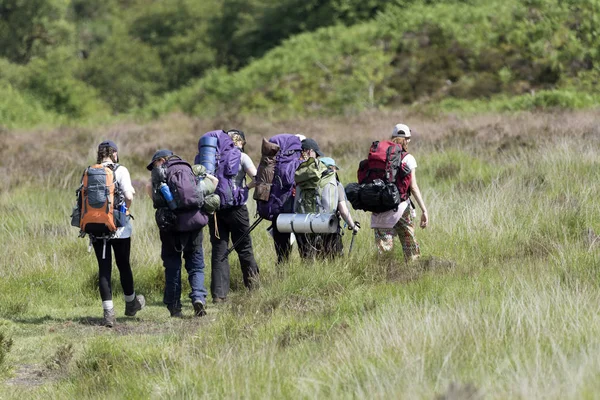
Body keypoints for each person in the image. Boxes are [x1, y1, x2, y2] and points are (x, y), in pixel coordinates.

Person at [147, 149, 209, 317]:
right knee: (196, 265)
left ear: (161, 160)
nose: (154, 168)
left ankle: (175, 307)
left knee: (173, 266)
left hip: (172, 227)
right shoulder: (188, 168)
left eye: (154, 164)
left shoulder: (161, 173)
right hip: (195, 223)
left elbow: (154, 198)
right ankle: (198, 298)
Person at [90, 140, 145, 327]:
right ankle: (131, 304)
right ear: (114, 153)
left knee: (104, 269)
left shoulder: (90, 171)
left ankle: (108, 314)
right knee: (123, 265)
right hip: (119, 228)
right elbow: (129, 196)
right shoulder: (121, 170)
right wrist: (125, 212)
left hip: (96, 226)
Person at [207, 129, 260, 303]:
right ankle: (253, 290)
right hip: (238, 209)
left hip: (215, 210)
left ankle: (218, 295)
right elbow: (257, 178)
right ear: (241, 142)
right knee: (244, 248)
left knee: (219, 250)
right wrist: (245, 188)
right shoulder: (242, 157)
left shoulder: (211, 157)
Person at [371, 124, 428, 260]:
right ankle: (412, 272)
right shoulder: (408, 158)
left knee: (384, 249)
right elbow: (413, 187)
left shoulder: (380, 156)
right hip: (402, 207)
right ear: (407, 140)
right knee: (409, 243)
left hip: (380, 207)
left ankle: (383, 275)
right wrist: (424, 210)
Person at [295, 153, 360, 259]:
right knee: (334, 260)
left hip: (305, 225)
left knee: (308, 261)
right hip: (329, 226)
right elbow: (343, 210)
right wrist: (353, 226)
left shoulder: (303, 183)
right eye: (335, 168)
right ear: (332, 168)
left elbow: (296, 206)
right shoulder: (335, 185)